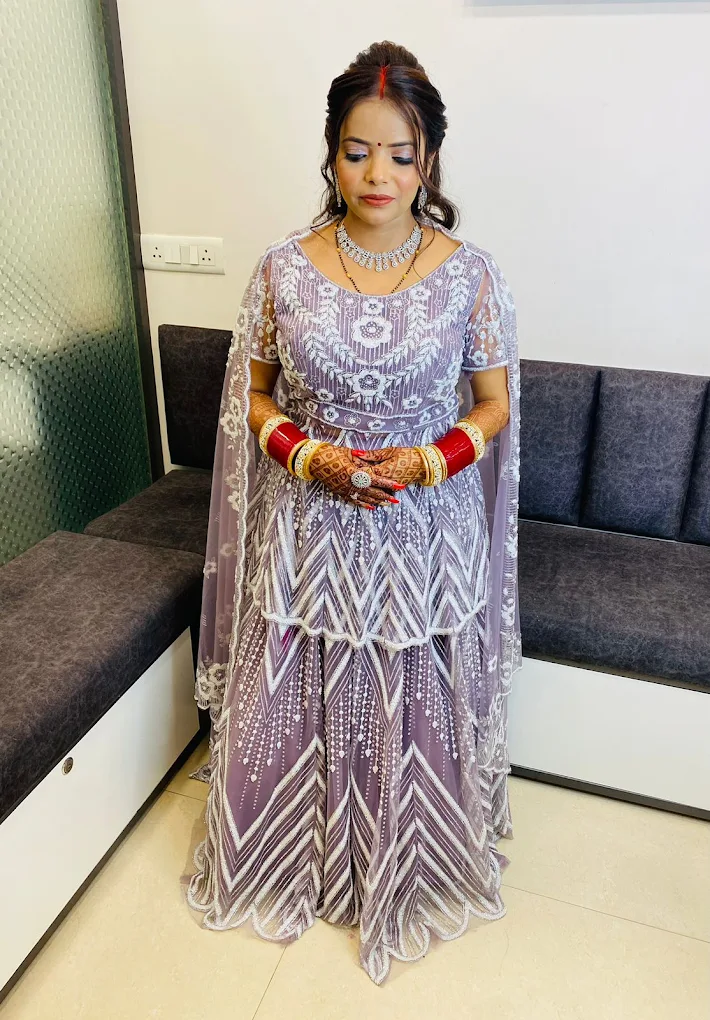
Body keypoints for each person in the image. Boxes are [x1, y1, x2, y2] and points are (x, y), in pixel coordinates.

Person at [185, 39, 522, 987]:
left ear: (430, 161)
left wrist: (425, 459)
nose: (379, 175)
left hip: (425, 530)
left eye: (401, 155)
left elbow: (493, 406)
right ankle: (286, 851)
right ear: (331, 155)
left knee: (415, 686)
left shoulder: (472, 275)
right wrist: (312, 453)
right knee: (296, 684)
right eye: (358, 151)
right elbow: (252, 399)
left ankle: (414, 856)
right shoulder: (281, 271)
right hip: (309, 527)